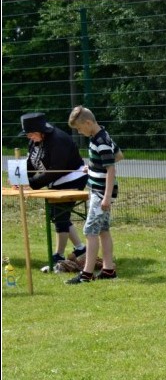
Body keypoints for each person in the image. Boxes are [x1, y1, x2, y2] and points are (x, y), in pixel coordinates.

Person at [19, 112, 88, 263]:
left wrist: (32, 183)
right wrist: (20, 179)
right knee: (57, 215)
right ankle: (81, 249)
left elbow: (56, 169)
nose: (29, 137)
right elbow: (31, 164)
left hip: (73, 179)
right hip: (56, 180)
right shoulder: (35, 140)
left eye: (30, 134)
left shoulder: (58, 140)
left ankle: (58, 256)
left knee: (60, 217)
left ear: (40, 131)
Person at [64, 106, 121, 284]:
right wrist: (93, 167)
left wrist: (106, 197)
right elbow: (118, 155)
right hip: (100, 192)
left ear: (88, 123)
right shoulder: (101, 135)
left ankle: (86, 274)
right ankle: (108, 270)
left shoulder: (100, 141)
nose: (79, 132)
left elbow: (111, 168)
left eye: (79, 128)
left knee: (90, 232)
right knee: (103, 230)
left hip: (101, 193)